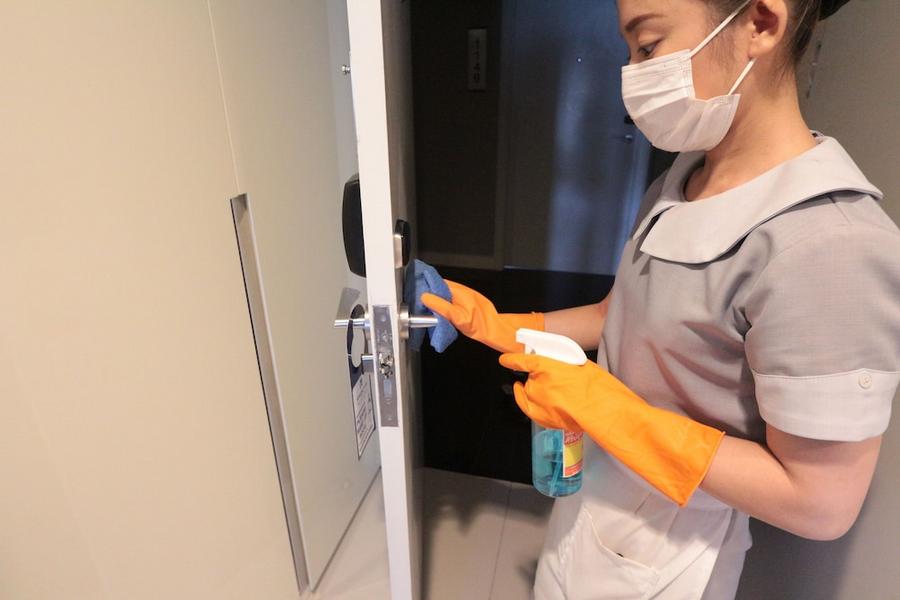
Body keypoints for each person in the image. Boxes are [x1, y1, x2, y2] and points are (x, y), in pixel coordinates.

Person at [421, 0, 900, 597]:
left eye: (647, 46)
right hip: (599, 494)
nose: (632, 75)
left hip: (675, 550)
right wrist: (498, 324)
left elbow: (819, 504)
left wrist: (615, 413)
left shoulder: (831, 241)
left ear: (760, 22)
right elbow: (615, 315)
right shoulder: (679, 183)